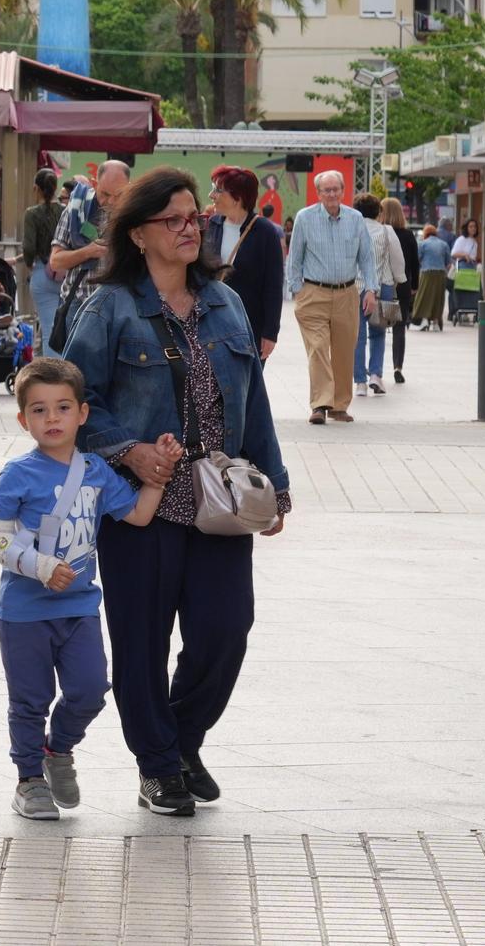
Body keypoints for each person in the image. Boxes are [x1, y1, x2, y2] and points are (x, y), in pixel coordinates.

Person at [65, 167, 292, 817]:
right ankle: (158, 764)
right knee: (141, 642)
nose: (191, 227)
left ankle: (182, 739)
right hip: (142, 503)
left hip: (220, 501)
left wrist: (273, 482)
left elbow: (257, 399)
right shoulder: (109, 306)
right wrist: (129, 450)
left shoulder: (227, 303)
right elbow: (76, 396)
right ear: (139, 234)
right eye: (174, 219)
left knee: (227, 630)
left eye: (195, 215)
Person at [0, 357, 162, 820]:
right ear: (24, 420)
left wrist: (158, 476)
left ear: (83, 414)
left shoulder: (97, 472)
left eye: (63, 408)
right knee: (29, 700)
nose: (52, 418)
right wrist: (40, 566)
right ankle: (28, 780)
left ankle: (58, 750)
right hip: (23, 611)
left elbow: (138, 515)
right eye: (39, 410)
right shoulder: (17, 474)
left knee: (90, 689)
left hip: (81, 606)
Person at [285, 170, 377, 425]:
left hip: (347, 293)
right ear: (319, 193)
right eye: (327, 190)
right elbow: (295, 257)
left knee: (344, 351)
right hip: (313, 293)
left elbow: (367, 257)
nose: (332, 194)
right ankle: (320, 404)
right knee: (317, 348)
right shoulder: (305, 218)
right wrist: (297, 290)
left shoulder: (355, 218)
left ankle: (339, 406)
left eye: (336, 189)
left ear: (343, 190)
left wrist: (371, 288)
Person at [47, 160, 132, 354]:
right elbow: (56, 261)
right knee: (76, 376)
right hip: (80, 303)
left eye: (118, 195)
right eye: (105, 194)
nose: (110, 201)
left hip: (122, 307)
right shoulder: (75, 211)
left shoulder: (135, 216)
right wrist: (88, 251)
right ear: (94, 184)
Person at [205, 165, 282, 361]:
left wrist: (270, 332)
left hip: (249, 325)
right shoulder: (212, 225)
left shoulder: (265, 232)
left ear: (237, 197)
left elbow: (273, 285)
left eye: (217, 190)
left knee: (246, 384)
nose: (211, 195)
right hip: (212, 321)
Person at [352, 194, 405, 399]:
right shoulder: (387, 230)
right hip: (384, 285)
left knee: (357, 335)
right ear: (378, 212)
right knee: (378, 332)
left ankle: (360, 382)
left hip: (356, 286)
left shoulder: (352, 229)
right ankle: (375, 374)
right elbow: (397, 259)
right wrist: (398, 279)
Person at [381, 198, 419, 381]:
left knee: (378, 326)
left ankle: (375, 368)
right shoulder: (408, 235)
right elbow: (414, 263)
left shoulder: (379, 233)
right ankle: (397, 366)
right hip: (402, 285)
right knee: (399, 327)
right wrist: (414, 286)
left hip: (383, 284)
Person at [22, 168, 64, 327]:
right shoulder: (65, 211)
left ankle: (50, 354)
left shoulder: (31, 214)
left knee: (49, 330)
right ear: (55, 188)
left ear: (36, 188)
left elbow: (29, 246)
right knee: (64, 331)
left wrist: (29, 264)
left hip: (42, 271)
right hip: (64, 272)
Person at [412, 225, 451, 332]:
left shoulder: (423, 243)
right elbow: (448, 263)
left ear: (425, 234)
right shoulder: (444, 244)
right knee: (438, 298)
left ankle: (424, 320)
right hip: (440, 273)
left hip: (427, 272)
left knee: (424, 296)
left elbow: (417, 259)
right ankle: (436, 323)